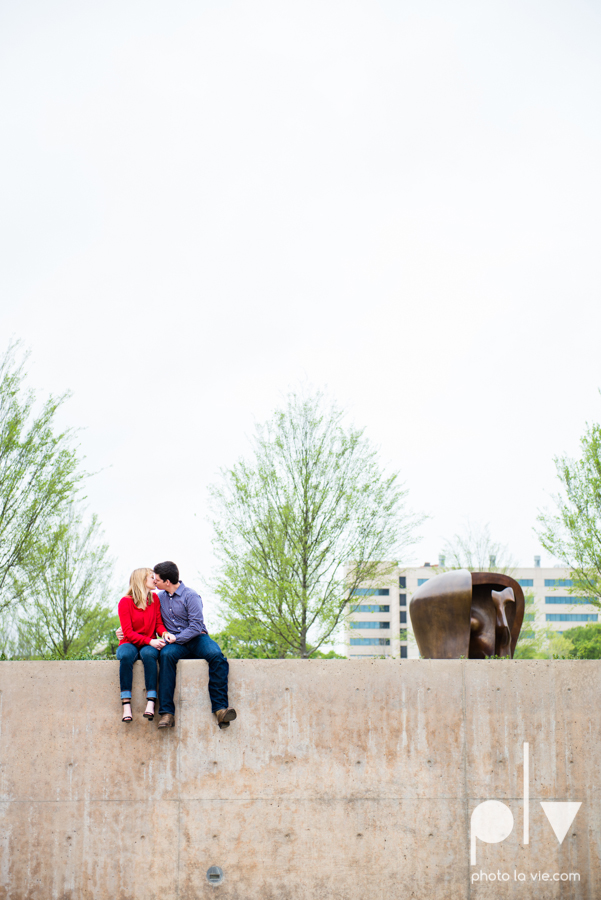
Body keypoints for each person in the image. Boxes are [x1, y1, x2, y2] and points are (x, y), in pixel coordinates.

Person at [152, 561, 236, 730]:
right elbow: (144, 615)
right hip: (175, 644)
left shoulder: (191, 596)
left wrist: (177, 638)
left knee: (216, 655)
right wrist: (122, 629)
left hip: (197, 638)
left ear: (167, 582)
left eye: (157, 580)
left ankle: (220, 710)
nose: (154, 582)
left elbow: (196, 626)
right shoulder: (158, 598)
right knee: (166, 656)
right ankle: (167, 713)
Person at [117, 568, 168, 723]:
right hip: (129, 642)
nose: (155, 579)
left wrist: (164, 633)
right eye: (152, 577)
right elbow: (128, 632)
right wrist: (150, 641)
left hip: (148, 643)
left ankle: (151, 702)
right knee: (125, 655)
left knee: (149, 654)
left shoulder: (154, 599)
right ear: (142, 580)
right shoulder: (125, 602)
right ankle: (126, 705)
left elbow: (159, 624)